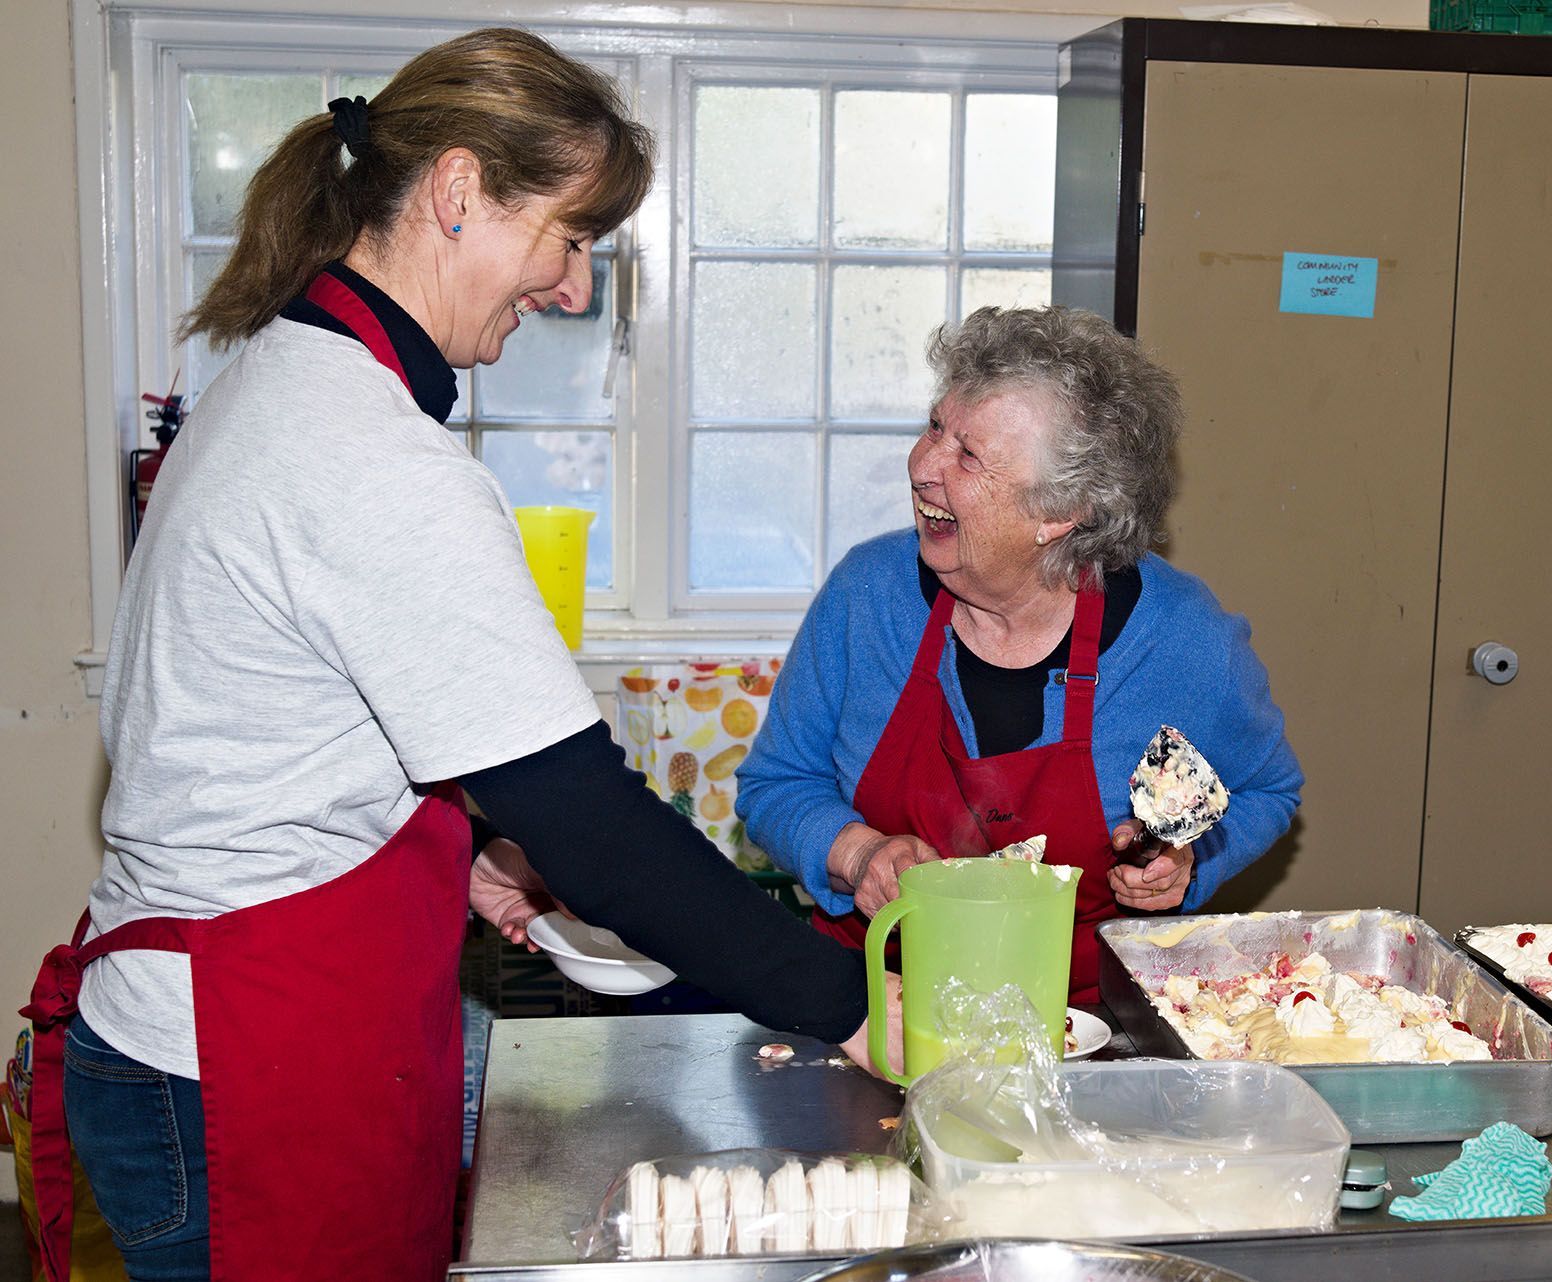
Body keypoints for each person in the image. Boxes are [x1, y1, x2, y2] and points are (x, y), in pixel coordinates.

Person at [19, 29, 895, 1282]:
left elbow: (289, 721)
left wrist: (465, 850)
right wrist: (847, 1004)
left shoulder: (281, 381)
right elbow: (589, 818)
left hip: (212, 1028)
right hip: (247, 1062)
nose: (575, 289)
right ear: (458, 190)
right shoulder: (374, 456)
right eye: (572, 237)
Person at [736, 305, 1305, 1003]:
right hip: (870, 1006)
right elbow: (776, 783)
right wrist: (856, 853)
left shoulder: (1181, 642)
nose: (921, 466)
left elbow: (1264, 790)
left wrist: (1190, 862)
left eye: (967, 455)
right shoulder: (868, 597)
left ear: (1060, 512)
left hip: (1085, 1028)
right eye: (934, 427)